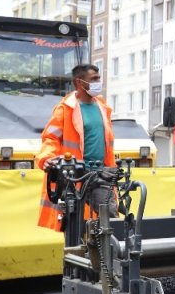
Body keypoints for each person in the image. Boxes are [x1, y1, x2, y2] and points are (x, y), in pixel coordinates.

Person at [35, 63, 118, 231]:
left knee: (109, 220)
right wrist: (47, 158)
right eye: (94, 79)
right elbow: (50, 138)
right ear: (79, 82)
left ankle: (107, 256)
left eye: (99, 78)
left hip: (101, 173)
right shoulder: (66, 109)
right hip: (75, 176)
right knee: (75, 224)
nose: (98, 82)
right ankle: (76, 255)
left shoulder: (102, 107)